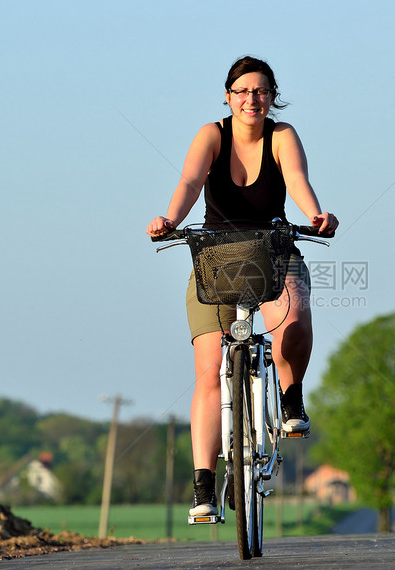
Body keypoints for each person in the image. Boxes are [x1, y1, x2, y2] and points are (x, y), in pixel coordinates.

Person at [147, 56, 338, 518]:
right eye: (243, 91)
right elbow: (190, 181)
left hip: (273, 249)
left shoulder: (282, 135)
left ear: (273, 96)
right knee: (209, 369)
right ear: (229, 97)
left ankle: (291, 402)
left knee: (294, 318)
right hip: (216, 258)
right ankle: (204, 487)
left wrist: (316, 214)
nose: (252, 99)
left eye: (261, 91)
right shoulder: (212, 134)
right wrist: (170, 219)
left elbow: (296, 181)